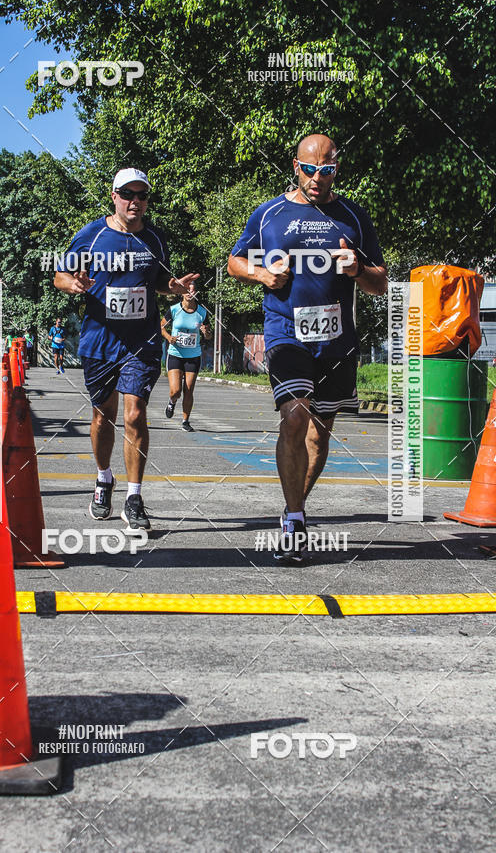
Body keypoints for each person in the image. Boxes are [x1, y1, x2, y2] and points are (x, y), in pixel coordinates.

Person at [227, 134, 387, 564]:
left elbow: (380, 283)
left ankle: (290, 506)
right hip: (286, 332)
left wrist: (357, 270)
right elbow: (234, 261)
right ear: (295, 166)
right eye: (310, 169)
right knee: (295, 417)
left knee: (320, 434)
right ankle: (296, 521)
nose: (318, 178)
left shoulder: (354, 216)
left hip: (336, 339)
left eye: (327, 170)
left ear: (338, 169)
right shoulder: (269, 214)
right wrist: (262, 275)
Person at [54, 167, 198, 532]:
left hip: (143, 341)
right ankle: (104, 479)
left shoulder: (155, 239)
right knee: (103, 415)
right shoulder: (92, 234)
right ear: (114, 195)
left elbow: (160, 282)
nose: (135, 202)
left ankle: (134, 497)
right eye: (128, 194)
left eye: (142, 196)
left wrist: (175, 286)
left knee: (134, 414)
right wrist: (74, 285)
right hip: (100, 340)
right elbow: (59, 275)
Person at [161, 281, 212, 431]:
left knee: (188, 390)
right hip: (175, 354)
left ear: (196, 293)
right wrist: (169, 337)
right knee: (175, 391)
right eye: (187, 290)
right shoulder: (174, 310)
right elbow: (161, 327)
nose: (190, 293)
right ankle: (172, 401)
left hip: (193, 355)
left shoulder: (202, 312)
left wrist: (206, 332)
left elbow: (208, 336)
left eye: (192, 290)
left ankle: (185, 421)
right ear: (181, 292)